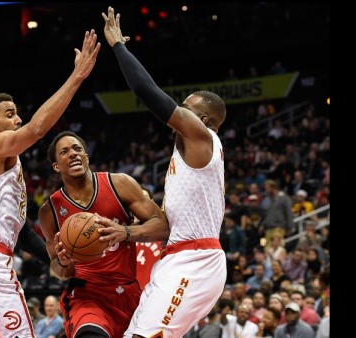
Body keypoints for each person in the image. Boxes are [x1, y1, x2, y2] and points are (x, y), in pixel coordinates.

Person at [0, 30, 101, 338]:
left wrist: (57, 260)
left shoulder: (2, 166)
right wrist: (77, 77)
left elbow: (25, 233)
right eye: (10, 114)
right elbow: (38, 128)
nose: (17, 120)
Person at [101, 7, 227, 337]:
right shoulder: (185, 160)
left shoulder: (203, 138)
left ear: (203, 121)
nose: (177, 111)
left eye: (185, 108)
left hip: (196, 261)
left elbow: (147, 92)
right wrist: (126, 234)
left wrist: (118, 46)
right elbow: (167, 228)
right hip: (175, 258)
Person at [38, 131, 169, 338]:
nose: (73, 154)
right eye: (64, 152)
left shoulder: (119, 184)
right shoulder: (50, 211)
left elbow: (163, 226)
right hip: (86, 295)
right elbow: (56, 267)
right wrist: (63, 263)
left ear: (87, 156)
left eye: (77, 149)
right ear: (56, 166)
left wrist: (125, 232)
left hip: (128, 292)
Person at [134, 186, 165, 289]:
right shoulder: (119, 232)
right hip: (126, 295)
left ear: (152, 202)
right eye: (137, 198)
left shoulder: (165, 232)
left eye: (145, 198)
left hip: (154, 294)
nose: (141, 203)